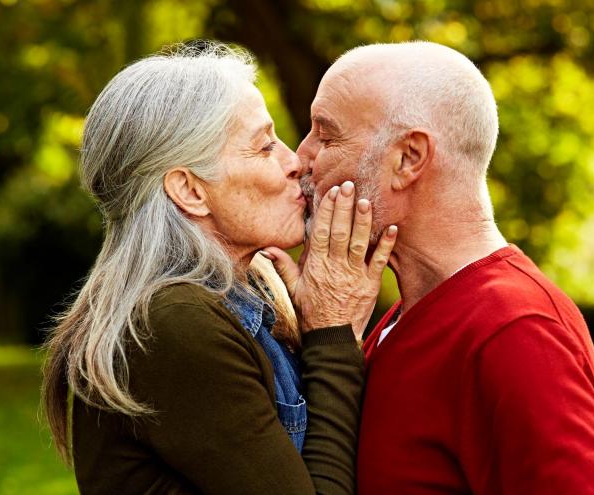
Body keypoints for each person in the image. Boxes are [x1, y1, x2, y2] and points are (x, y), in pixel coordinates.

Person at [267, 41, 594, 494]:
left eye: (326, 135)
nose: (299, 158)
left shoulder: (515, 330)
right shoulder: (399, 320)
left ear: (409, 158)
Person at [41, 42, 397, 495]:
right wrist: (332, 332)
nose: (294, 162)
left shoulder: (249, 297)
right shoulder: (173, 324)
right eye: (265, 146)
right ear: (190, 191)